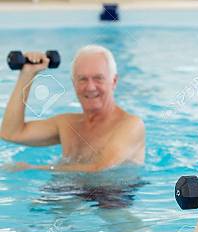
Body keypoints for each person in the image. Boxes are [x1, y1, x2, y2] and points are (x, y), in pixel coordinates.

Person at [1, 45, 145, 172]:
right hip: (66, 190)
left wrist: (33, 169)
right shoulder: (67, 124)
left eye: (98, 78)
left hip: (109, 197)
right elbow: (11, 133)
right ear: (74, 83)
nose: (90, 87)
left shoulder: (130, 125)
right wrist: (27, 74)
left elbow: (102, 169)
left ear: (113, 81)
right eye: (83, 79)